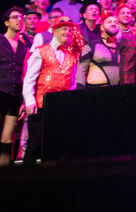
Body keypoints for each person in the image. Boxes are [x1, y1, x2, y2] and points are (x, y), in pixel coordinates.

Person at [22, 18, 83, 165]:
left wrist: (70, 103)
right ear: (54, 31)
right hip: (41, 104)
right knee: (35, 143)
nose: (67, 32)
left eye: (69, 30)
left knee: (57, 142)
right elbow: (29, 79)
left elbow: (72, 83)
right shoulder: (40, 51)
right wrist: (30, 102)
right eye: (64, 29)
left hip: (61, 106)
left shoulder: (71, 56)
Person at [0, 6, 29, 166]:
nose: (19, 20)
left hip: (14, 96)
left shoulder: (23, 46)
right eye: (15, 17)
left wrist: (23, 101)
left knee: (7, 142)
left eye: (21, 17)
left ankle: (4, 181)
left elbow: (23, 75)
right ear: (7, 22)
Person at [76, 13, 121, 88]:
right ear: (102, 27)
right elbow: (81, 71)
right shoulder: (90, 45)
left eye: (116, 22)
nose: (113, 24)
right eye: (109, 22)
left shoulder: (122, 47)